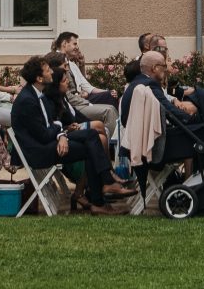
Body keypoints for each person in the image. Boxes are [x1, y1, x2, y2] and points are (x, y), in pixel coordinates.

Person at [12, 54, 122, 213]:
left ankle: (105, 185)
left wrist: (61, 134)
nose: (51, 72)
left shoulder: (36, 94)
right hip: (39, 151)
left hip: (49, 141)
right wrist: (61, 134)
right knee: (91, 147)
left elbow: (52, 123)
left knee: (91, 136)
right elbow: (44, 134)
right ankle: (100, 198)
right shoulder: (28, 100)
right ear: (39, 78)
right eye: (47, 70)